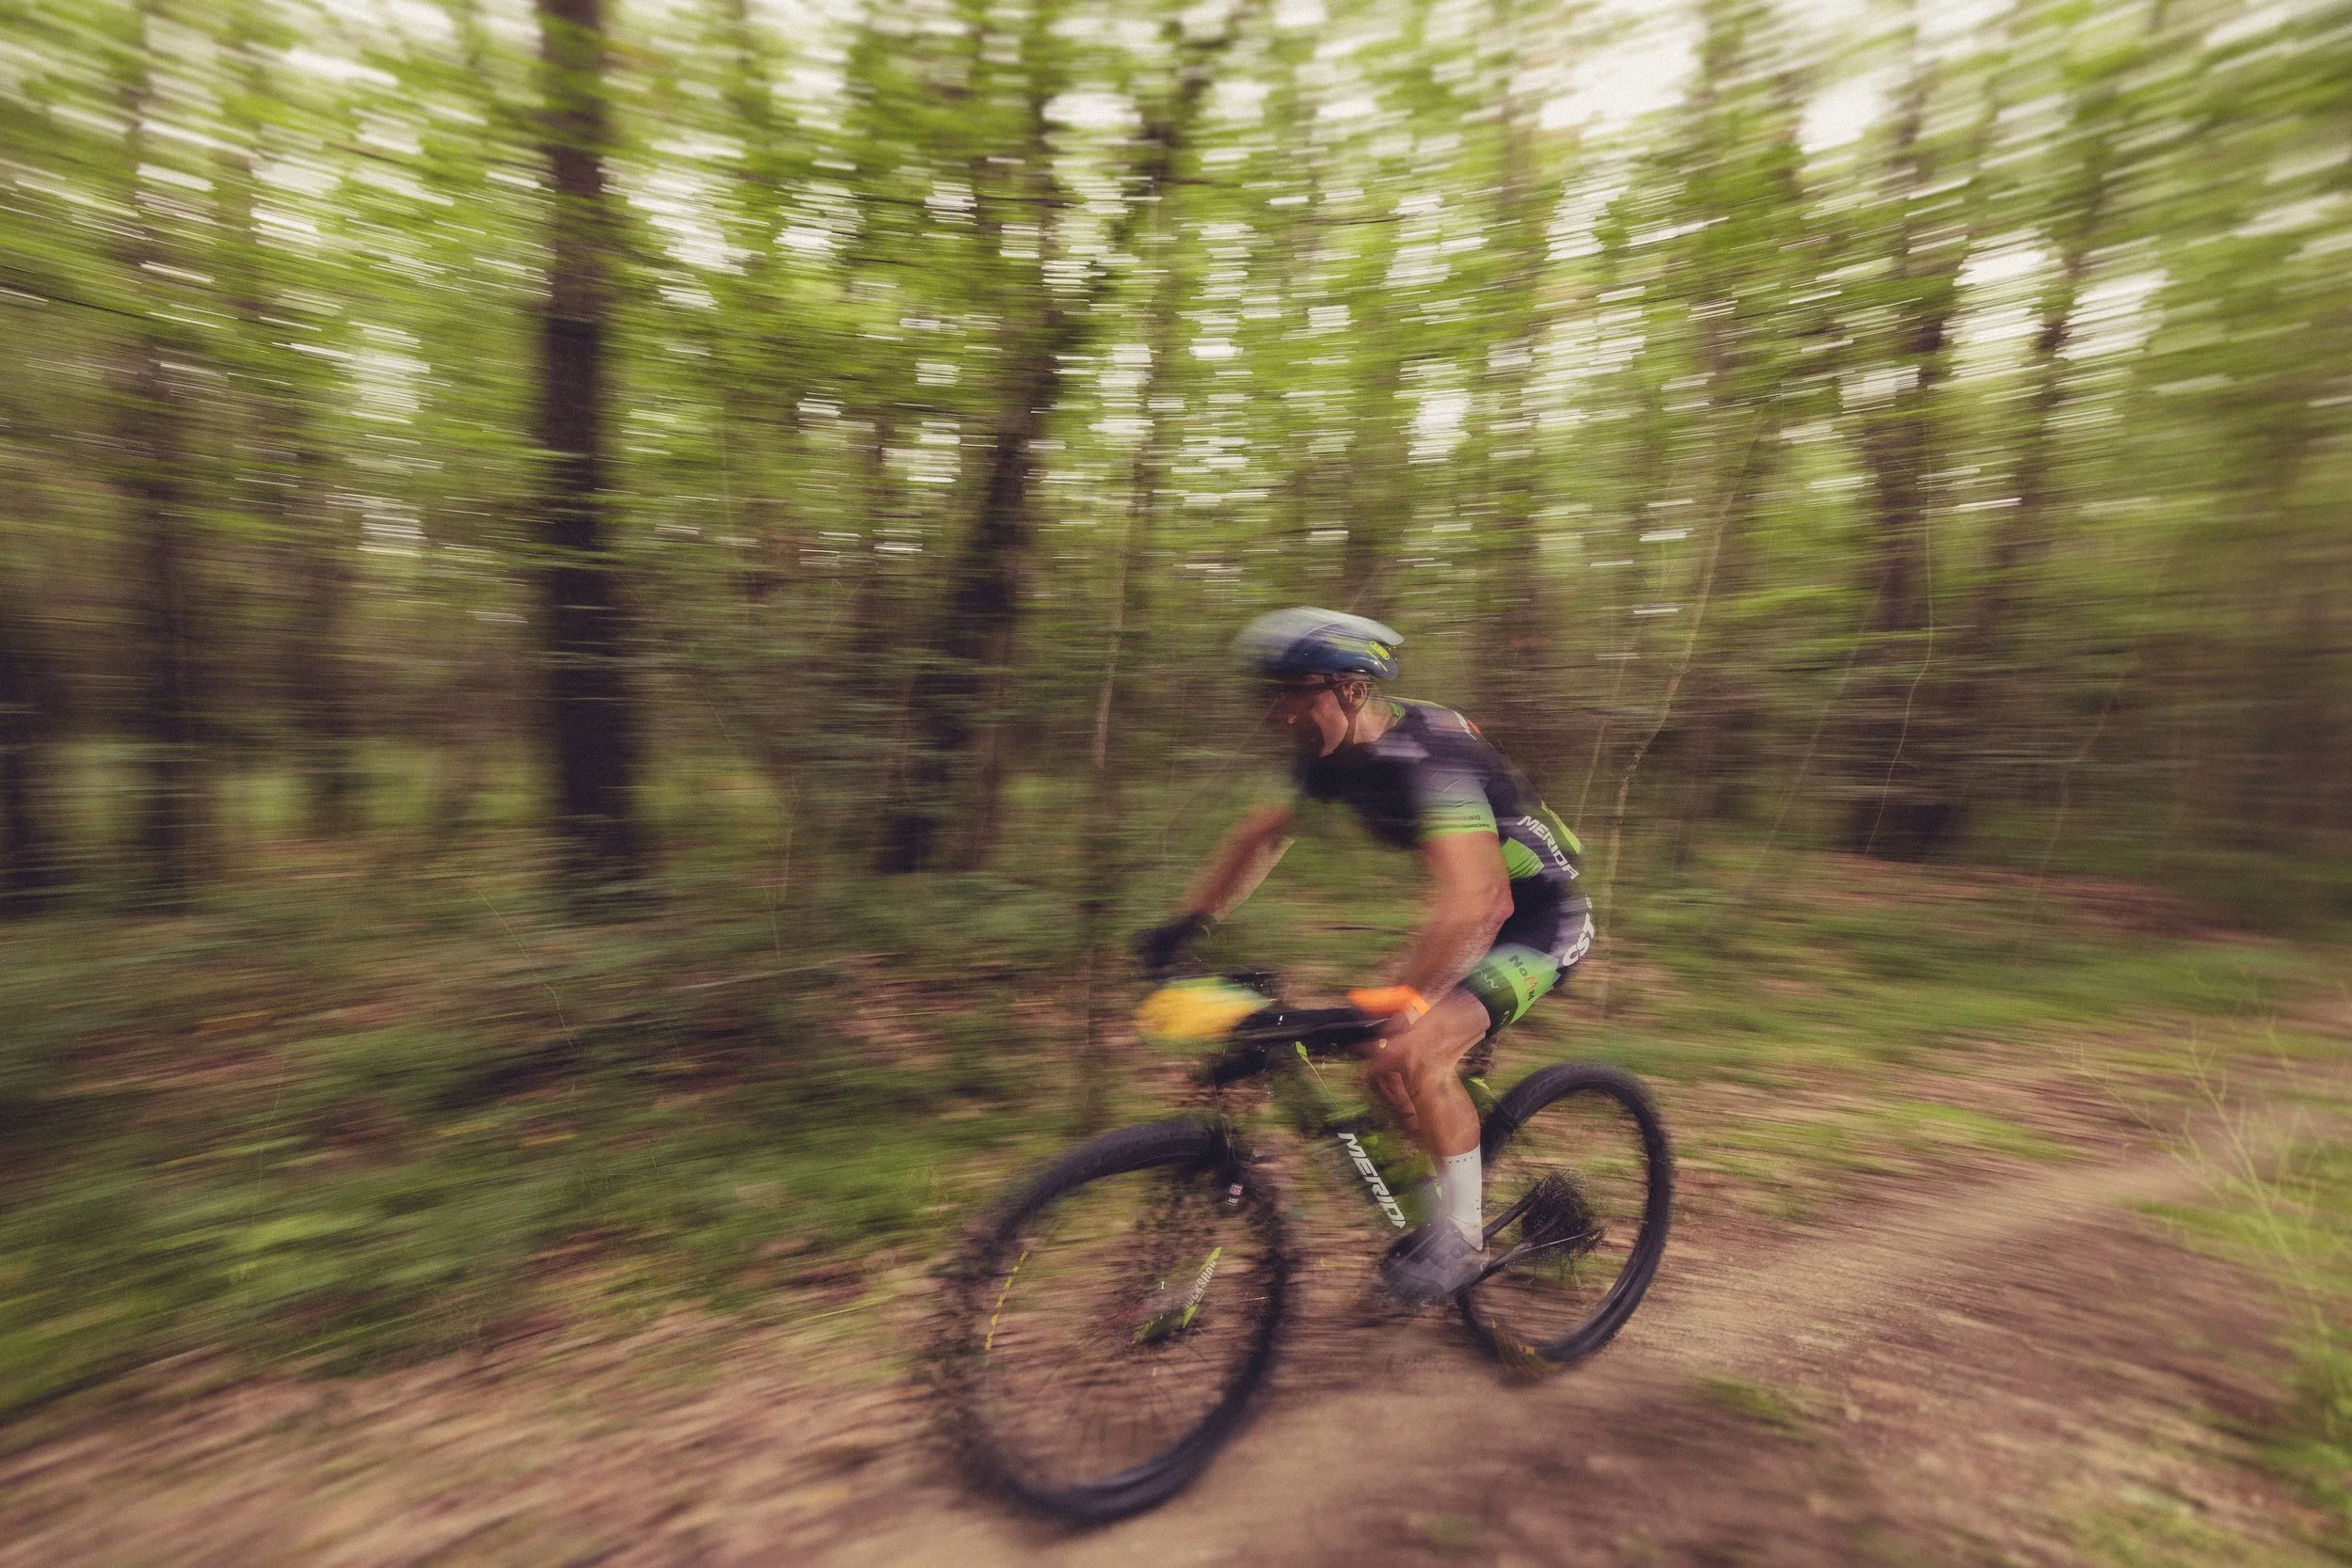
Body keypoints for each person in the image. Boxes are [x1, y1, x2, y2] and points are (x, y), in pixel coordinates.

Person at [1137, 607, 1594, 1306]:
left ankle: (1460, 1241)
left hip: (1538, 916)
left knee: (1412, 1048)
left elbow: (1480, 902)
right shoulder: (1327, 758)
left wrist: (1406, 1002)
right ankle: (1442, 1193)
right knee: (1381, 1065)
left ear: (1352, 689)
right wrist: (1189, 922)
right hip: (1477, 912)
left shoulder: (1429, 758)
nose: (1278, 711)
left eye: (1296, 691)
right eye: (1269, 693)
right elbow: (1259, 837)